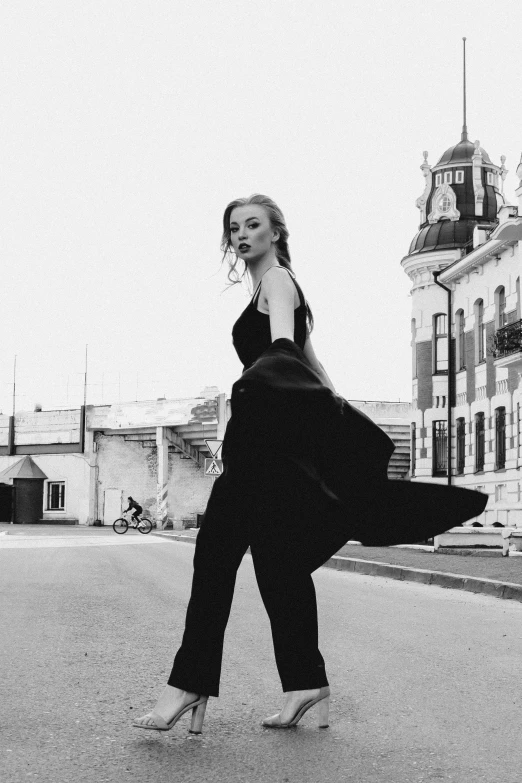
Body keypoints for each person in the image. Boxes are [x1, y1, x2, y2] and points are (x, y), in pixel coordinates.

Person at [133, 194, 487, 735]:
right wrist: (342, 420)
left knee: (215, 558)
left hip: (261, 438)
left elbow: (281, 351)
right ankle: (305, 683)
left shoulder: (277, 281)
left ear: (276, 232)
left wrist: (256, 391)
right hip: (274, 437)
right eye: (234, 228)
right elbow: (314, 367)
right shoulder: (276, 286)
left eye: (253, 225)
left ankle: (190, 684)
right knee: (279, 565)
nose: (242, 234)